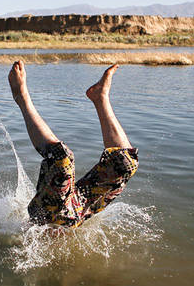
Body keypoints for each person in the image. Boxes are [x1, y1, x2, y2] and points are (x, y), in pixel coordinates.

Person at [8, 61, 138, 228]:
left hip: (50, 215)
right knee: (125, 164)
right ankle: (22, 97)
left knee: (62, 158)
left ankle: (99, 96)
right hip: (76, 212)